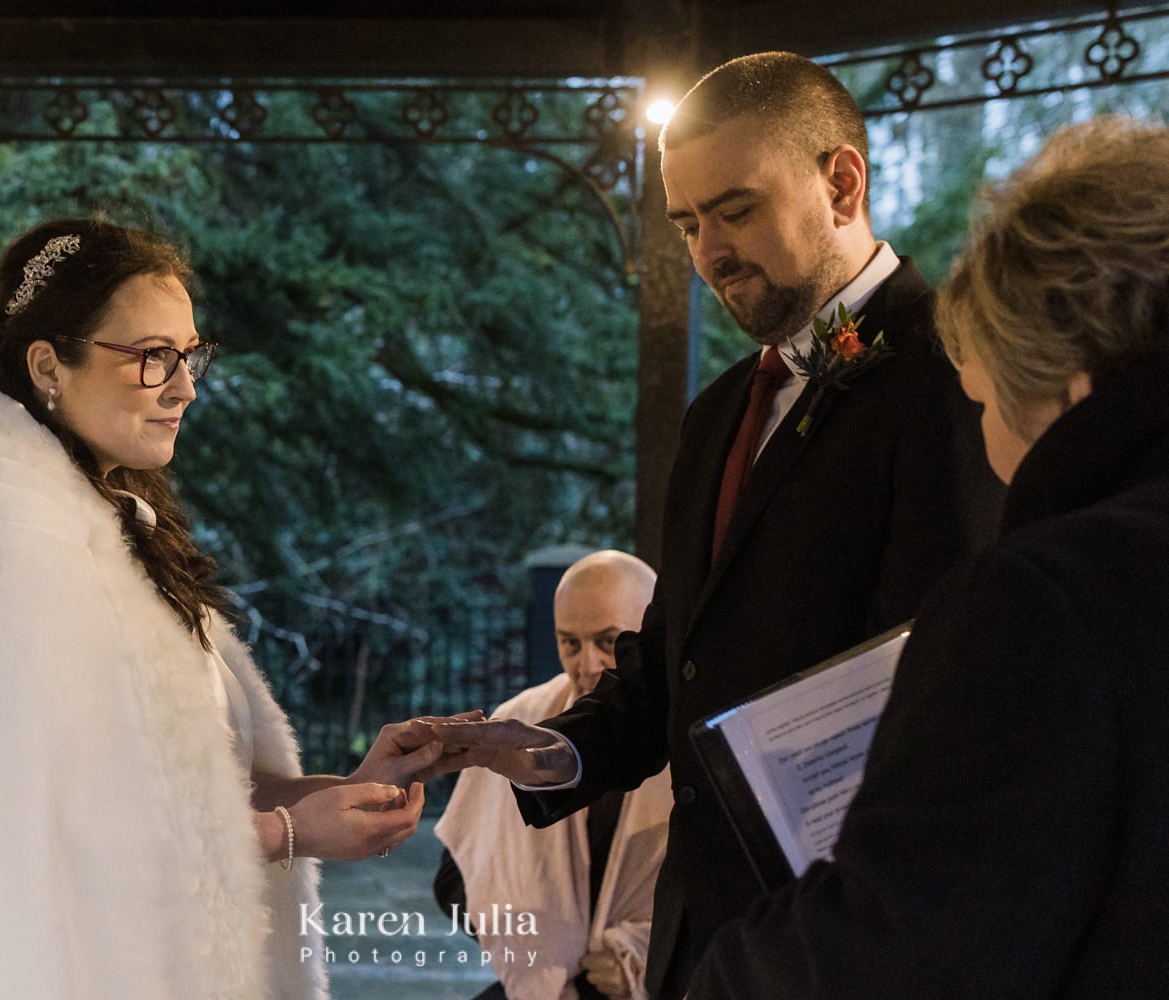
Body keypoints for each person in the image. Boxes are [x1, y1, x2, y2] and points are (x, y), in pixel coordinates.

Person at [425, 51, 1004, 997]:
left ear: (842, 181)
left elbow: (943, 682)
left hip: (850, 939)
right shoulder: (720, 411)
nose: (708, 252)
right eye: (688, 223)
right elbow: (669, 669)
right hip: (702, 945)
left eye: (735, 210)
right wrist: (525, 749)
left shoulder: (951, 373)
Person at [0, 218, 445, 1000]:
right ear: (47, 366)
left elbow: (178, 783)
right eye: (152, 357)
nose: (185, 385)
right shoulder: (2, 538)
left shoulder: (108, 528)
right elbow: (41, 834)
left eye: (191, 353)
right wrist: (291, 835)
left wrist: (341, 792)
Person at [685, 114, 1169, 1000]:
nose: (988, 443)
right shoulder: (716, 413)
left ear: (1062, 379)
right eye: (687, 225)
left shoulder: (1047, 600)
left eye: (987, 402)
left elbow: (904, 950)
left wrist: (723, 977)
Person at [434, 550, 670, 1000]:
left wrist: (644, 955)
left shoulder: (686, 734)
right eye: (570, 643)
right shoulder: (522, 721)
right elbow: (457, 879)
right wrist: (533, 939)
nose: (588, 664)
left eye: (609, 641)